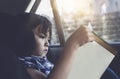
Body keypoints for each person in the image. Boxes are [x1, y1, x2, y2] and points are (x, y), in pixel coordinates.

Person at [13, 12, 94, 79]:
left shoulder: (43, 60)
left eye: (48, 40)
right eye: (42, 36)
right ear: (24, 37)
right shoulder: (26, 66)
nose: (47, 43)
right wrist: (72, 44)